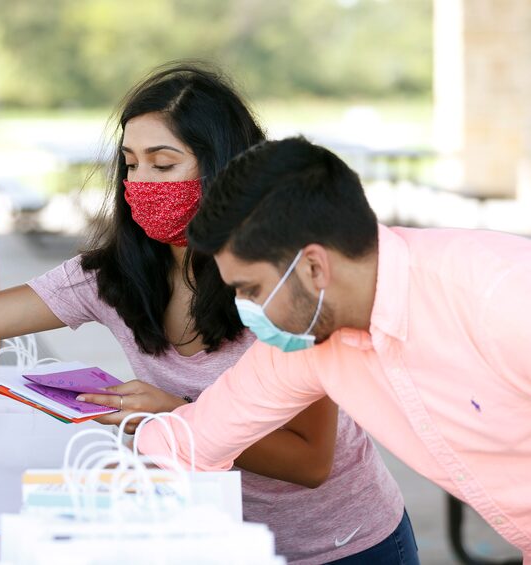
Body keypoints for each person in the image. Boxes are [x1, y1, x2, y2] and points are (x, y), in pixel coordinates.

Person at [0, 64, 416, 563]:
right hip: (212, 538)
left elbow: (310, 461)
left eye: (164, 163)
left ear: (224, 166)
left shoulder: (278, 279)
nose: (140, 181)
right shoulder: (115, 273)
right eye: (130, 163)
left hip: (342, 546)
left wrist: (178, 416)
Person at [131, 136, 531, 559]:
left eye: (251, 289)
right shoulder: (305, 340)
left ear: (314, 267)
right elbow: (197, 438)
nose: (244, 309)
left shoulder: (501, 295)